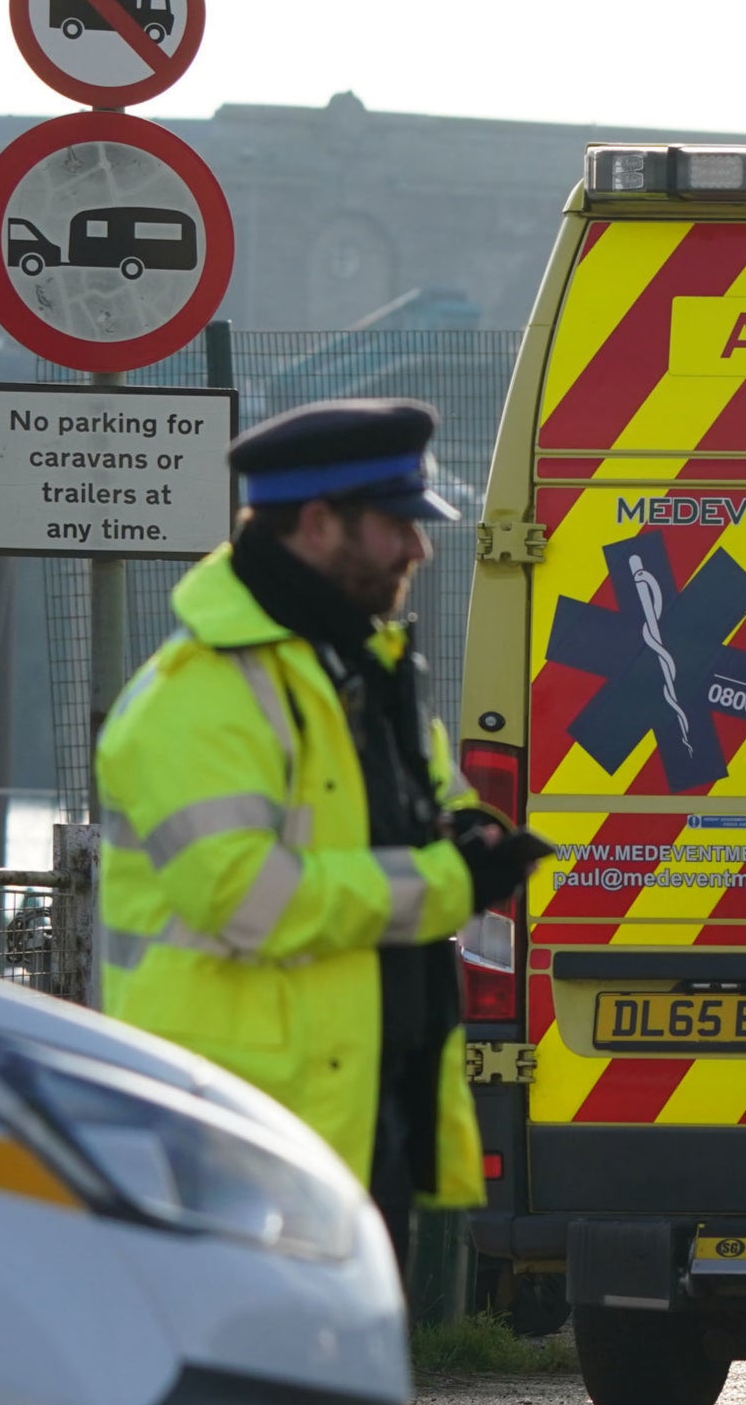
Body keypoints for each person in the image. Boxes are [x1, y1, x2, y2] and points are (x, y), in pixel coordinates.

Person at [97, 400, 551, 1270]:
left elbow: (428, 818)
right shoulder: (199, 697)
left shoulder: (360, 671)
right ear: (316, 522)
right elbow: (245, 897)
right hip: (232, 1131)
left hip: (344, 1110)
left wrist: (472, 841)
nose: (418, 550)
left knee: (338, 1396)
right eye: (396, 525)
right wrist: (452, 881)